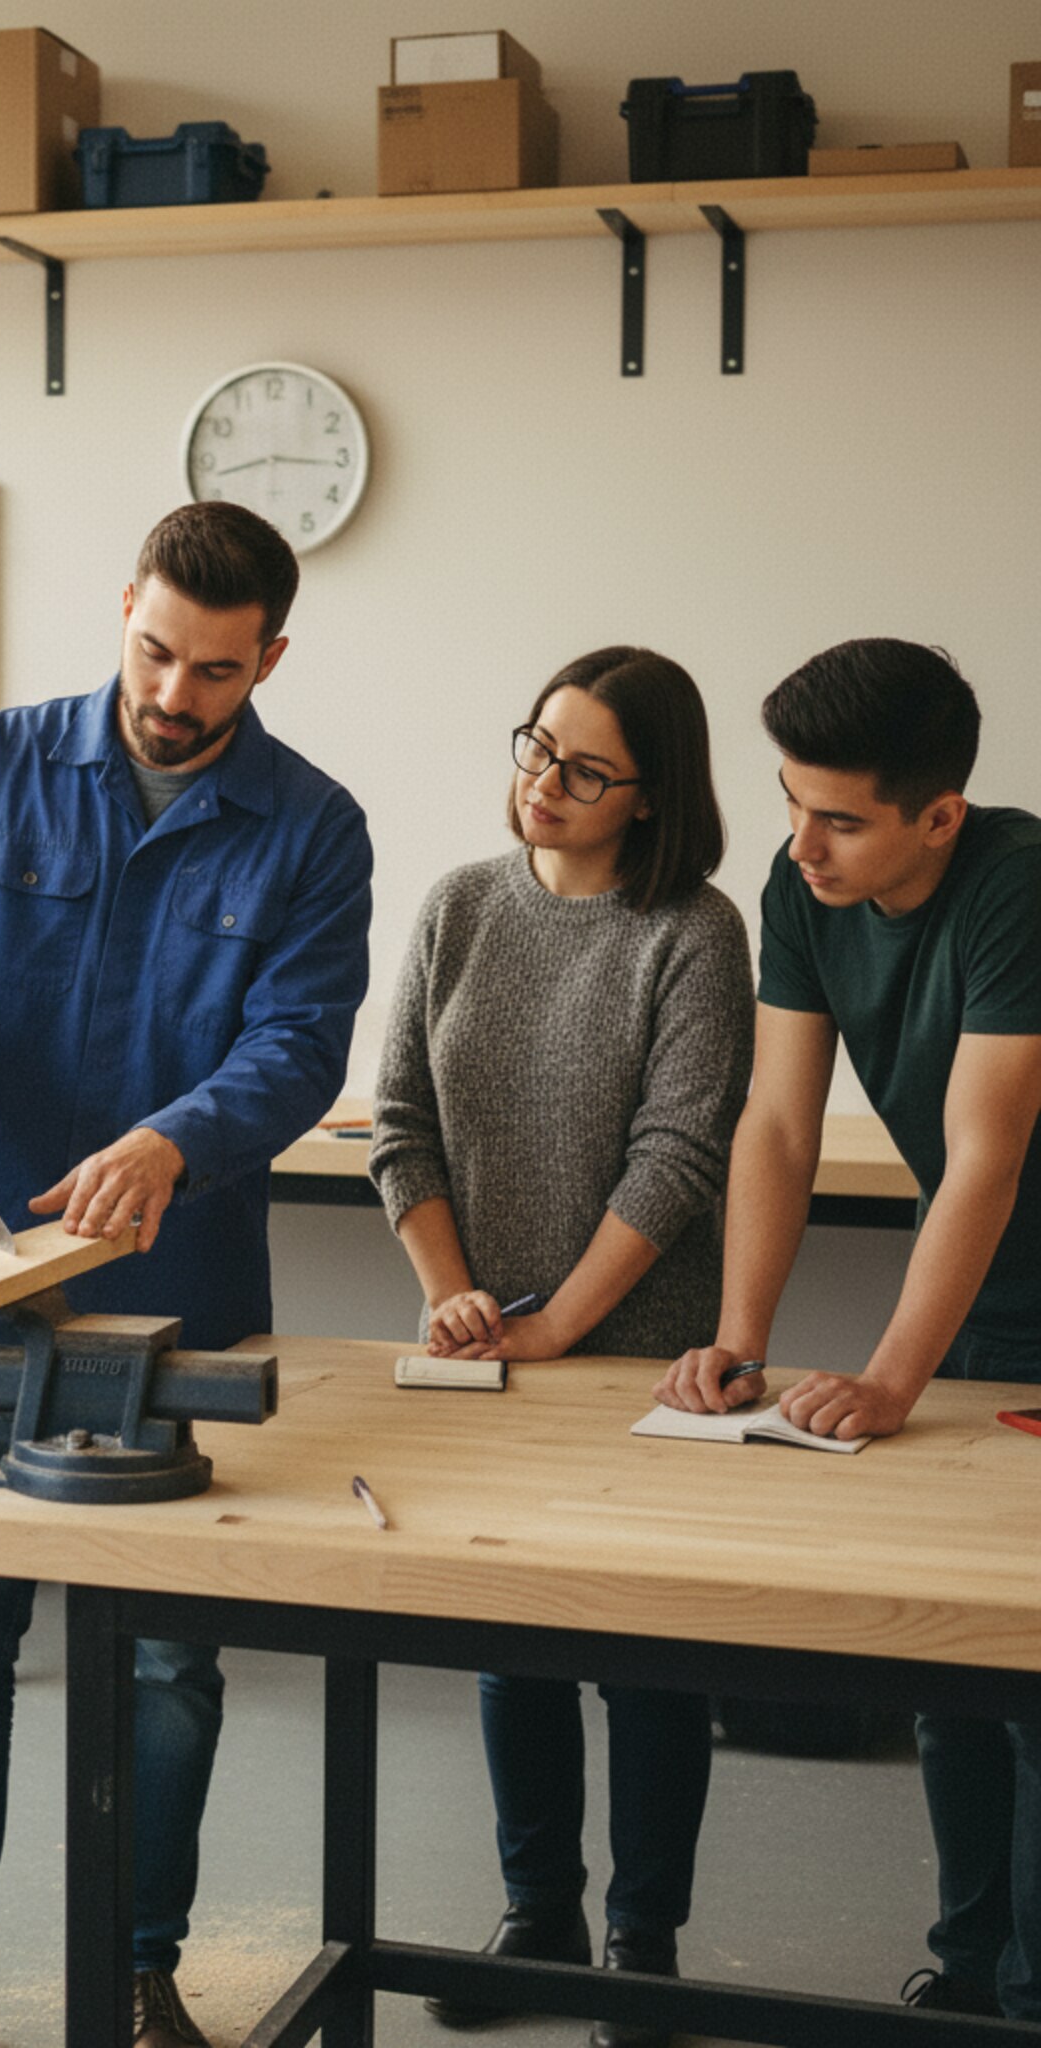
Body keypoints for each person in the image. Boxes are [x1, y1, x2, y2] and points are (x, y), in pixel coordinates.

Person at [0, 501, 373, 2048]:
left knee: (169, 1665)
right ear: (122, 605)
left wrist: (177, 1138)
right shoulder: (0, 766)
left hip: (180, 1298)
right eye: (154, 651)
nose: (173, 694)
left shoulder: (314, 826)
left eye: (215, 669)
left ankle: (142, 1973)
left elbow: (298, 1042)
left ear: (268, 656)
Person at [368, 648, 753, 2048]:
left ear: (649, 798)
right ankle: (541, 1916)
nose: (544, 779)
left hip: (642, 1357)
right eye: (538, 745)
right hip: (485, 1348)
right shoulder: (459, 905)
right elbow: (398, 1119)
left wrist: (551, 1328)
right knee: (508, 1640)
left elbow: (677, 1157)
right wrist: (460, 1299)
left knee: (648, 1653)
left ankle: (642, 1948)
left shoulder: (696, 931)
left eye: (586, 769)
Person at [656, 639, 1041, 2025]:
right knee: (955, 1658)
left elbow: (985, 1150)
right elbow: (777, 1121)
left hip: (1008, 1271)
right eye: (790, 802)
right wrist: (738, 1335)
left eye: (842, 816)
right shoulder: (800, 884)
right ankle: (973, 1973)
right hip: (991, 1299)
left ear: (937, 816)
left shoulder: (1017, 884)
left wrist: (888, 1375)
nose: (803, 842)